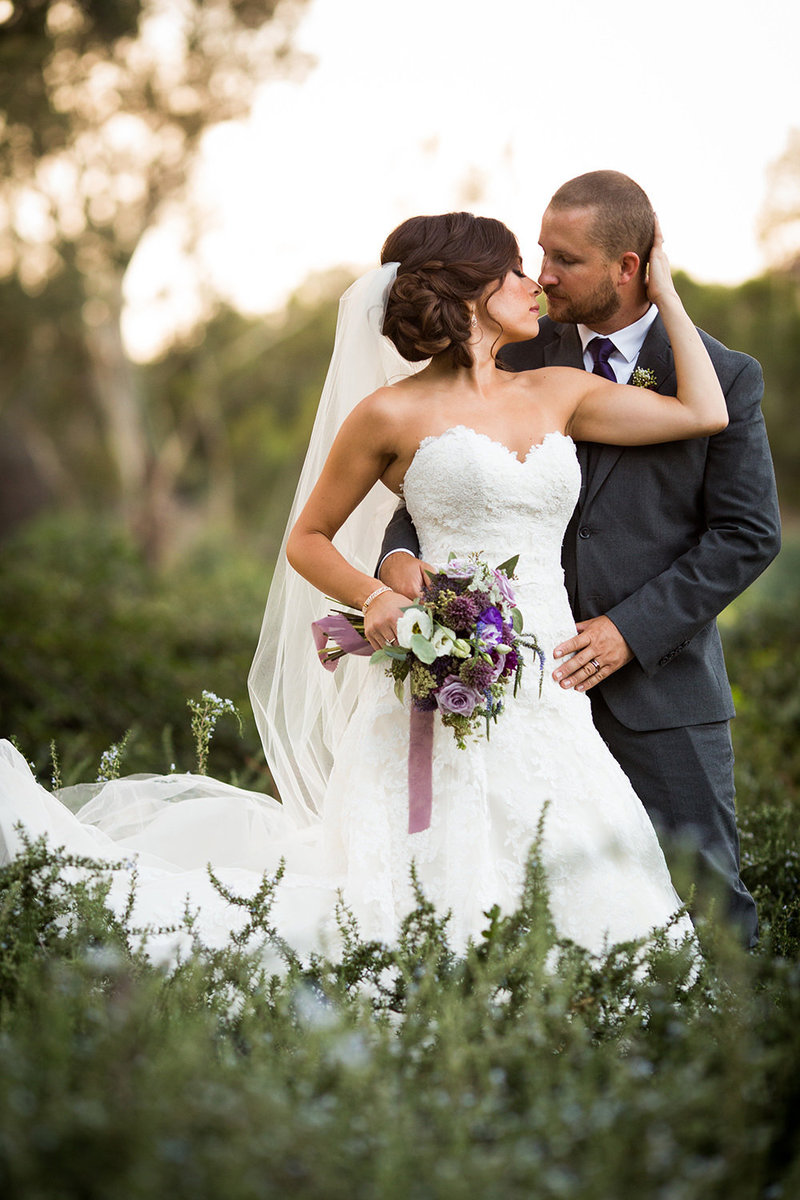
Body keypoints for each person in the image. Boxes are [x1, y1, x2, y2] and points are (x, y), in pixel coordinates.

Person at [0, 208, 729, 960]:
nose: (533, 284)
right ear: (474, 290)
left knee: (586, 876)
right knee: (430, 884)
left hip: (549, 689)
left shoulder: (558, 390)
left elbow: (703, 411)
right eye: (514, 270)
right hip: (437, 686)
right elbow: (307, 539)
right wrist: (377, 595)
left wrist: (666, 292)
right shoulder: (389, 412)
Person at [378, 175, 781, 948]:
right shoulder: (515, 349)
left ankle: (730, 1060)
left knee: (703, 904)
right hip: (506, 684)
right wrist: (397, 557)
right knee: (508, 901)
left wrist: (630, 630)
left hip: (661, 690)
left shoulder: (723, 376)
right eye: (540, 252)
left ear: (628, 268)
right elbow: (435, 481)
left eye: (564, 259)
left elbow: (746, 533)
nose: (543, 273)